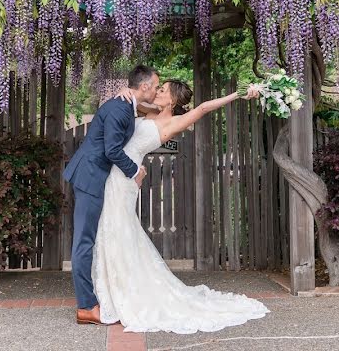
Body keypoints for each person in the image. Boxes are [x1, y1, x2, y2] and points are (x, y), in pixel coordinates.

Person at [90, 79, 269, 333]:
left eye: (162, 90)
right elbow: (129, 101)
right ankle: (116, 288)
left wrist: (238, 95)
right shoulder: (149, 110)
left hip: (126, 178)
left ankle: (123, 293)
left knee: (118, 229)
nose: (158, 91)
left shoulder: (174, 122)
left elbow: (205, 107)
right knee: (115, 230)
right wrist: (122, 89)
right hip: (119, 173)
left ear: (172, 100)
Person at [63, 64, 159, 325]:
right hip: (90, 176)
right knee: (84, 241)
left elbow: (151, 108)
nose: (158, 91)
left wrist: (128, 92)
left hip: (92, 175)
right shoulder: (120, 108)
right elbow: (112, 150)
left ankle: (88, 302)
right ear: (145, 86)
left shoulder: (126, 104)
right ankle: (85, 306)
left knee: (86, 239)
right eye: (156, 86)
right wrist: (135, 171)